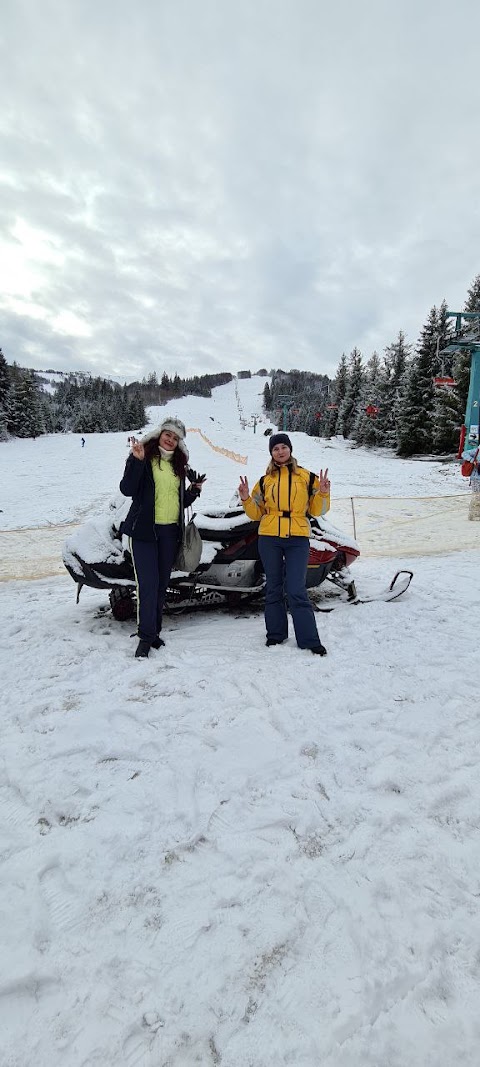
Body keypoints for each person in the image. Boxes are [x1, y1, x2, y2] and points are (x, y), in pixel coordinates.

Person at [120, 418, 206, 658]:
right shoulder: (144, 458)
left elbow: (179, 503)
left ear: (179, 443)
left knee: (160, 586)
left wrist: (194, 491)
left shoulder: (178, 467)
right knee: (147, 586)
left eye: (175, 437)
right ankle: (145, 636)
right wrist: (135, 461)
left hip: (170, 534)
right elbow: (127, 489)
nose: (170, 439)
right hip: (144, 533)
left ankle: (154, 632)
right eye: (167, 434)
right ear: (159, 435)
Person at [238, 432, 331, 655]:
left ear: (290, 450)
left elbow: (318, 510)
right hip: (269, 537)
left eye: (283, 447)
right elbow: (255, 513)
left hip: (297, 537)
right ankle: (276, 635)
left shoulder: (307, 478)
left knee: (297, 588)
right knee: (273, 587)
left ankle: (309, 640)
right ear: (271, 453)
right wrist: (245, 498)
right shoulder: (264, 481)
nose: (280, 451)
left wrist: (323, 493)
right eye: (275, 448)